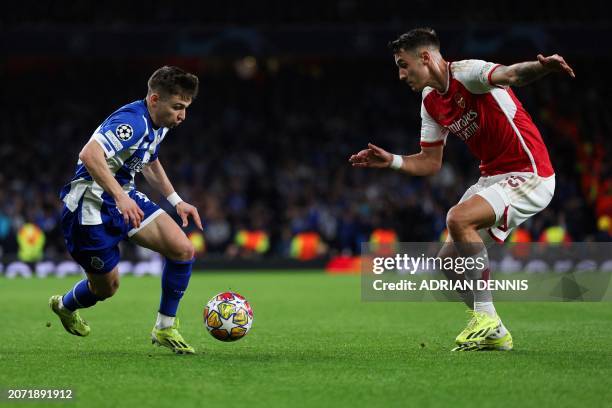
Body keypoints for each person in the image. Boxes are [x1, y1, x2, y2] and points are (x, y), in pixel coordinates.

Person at [349, 28, 575, 351]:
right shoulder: (430, 102)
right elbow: (430, 162)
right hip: (494, 176)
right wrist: (393, 161)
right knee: (446, 263)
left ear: (425, 58)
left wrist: (543, 67)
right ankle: (495, 331)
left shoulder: (468, 74)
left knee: (458, 218)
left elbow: (510, 74)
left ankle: (485, 317)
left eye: (403, 64)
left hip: (531, 172)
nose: (400, 75)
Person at [50, 66, 203, 355]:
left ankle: (165, 326)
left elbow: (149, 160)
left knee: (183, 249)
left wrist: (176, 200)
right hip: (88, 208)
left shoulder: (160, 124)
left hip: (124, 197)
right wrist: (120, 197)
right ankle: (64, 305)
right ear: (155, 100)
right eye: (177, 107)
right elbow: (89, 154)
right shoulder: (132, 122)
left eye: (186, 108)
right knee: (106, 288)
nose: (182, 115)